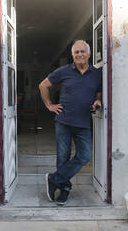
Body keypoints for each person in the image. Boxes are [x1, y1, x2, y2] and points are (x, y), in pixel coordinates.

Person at [38, 40, 102, 205]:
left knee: (85, 155)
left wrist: (98, 101)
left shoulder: (97, 74)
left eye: (82, 52)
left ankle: (54, 179)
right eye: (76, 52)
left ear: (88, 54)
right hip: (63, 122)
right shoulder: (63, 71)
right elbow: (43, 85)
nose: (80, 55)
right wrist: (49, 105)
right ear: (72, 55)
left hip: (83, 123)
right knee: (63, 158)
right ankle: (64, 189)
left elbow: (99, 92)